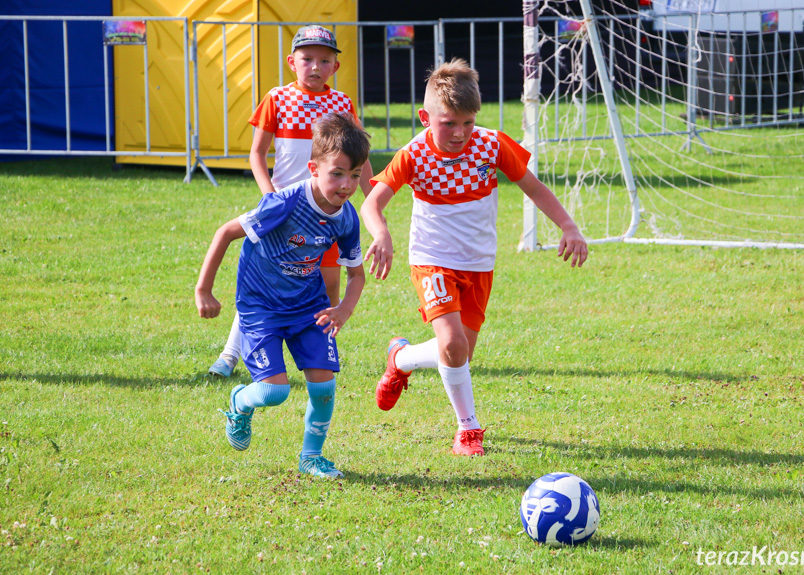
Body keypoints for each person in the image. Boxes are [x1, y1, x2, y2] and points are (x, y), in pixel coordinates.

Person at [360, 59, 589, 457]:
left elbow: (534, 189)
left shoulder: (491, 144)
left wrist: (568, 227)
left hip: (479, 263)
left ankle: (401, 358)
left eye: (467, 122)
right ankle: (469, 429)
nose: (459, 133)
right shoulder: (413, 153)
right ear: (425, 116)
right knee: (452, 343)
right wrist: (382, 234)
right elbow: (372, 204)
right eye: (448, 123)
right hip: (431, 259)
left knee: (459, 351)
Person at [195, 113, 369, 478]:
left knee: (324, 387)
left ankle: (311, 457)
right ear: (313, 167)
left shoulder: (347, 218)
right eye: (337, 173)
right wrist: (204, 289)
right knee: (275, 393)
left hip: (309, 309)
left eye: (354, 175)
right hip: (261, 309)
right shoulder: (284, 204)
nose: (346, 184)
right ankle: (241, 402)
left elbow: (356, 275)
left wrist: (342, 311)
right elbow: (226, 233)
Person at [209, 24, 373, 377]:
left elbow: (358, 156)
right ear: (292, 62)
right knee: (266, 283)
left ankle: (320, 345)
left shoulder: (341, 103)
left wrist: (371, 198)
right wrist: (270, 194)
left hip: (328, 213)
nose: (315, 66)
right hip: (284, 213)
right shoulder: (278, 98)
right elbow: (257, 153)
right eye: (307, 59)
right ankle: (229, 354)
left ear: (336, 67)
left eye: (324, 60)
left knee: (328, 283)